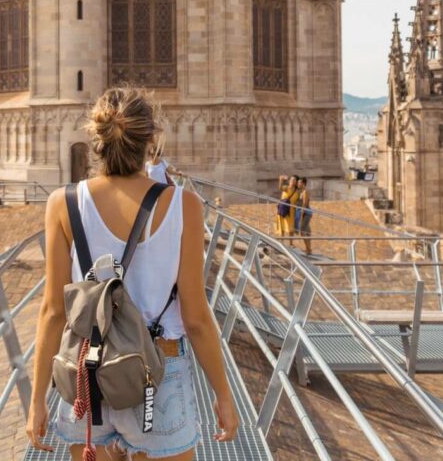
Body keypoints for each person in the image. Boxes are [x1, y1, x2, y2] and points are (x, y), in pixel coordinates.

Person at [26, 87, 239, 458]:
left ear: (95, 140)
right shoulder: (183, 205)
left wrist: (36, 400)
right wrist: (223, 393)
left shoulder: (62, 203)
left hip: (87, 376)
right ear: (151, 141)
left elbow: (53, 311)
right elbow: (197, 318)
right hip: (158, 372)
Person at [276, 175, 299, 245]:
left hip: (291, 211)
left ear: (296, 182)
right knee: (282, 226)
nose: (292, 181)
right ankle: (282, 242)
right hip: (283, 210)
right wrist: (281, 179)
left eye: (294, 180)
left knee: (291, 228)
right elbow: (280, 188)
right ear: (289, 181)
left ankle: (291, 243)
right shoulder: (286, 188)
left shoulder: (297, 191)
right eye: (291, 180)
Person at [297, 177, 312, 256]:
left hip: (306, 213)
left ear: (303, 183)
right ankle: (308, 248)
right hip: (305, 212)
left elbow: (304, 204)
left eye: (299, 182)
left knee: (302, 231)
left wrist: (301, 216)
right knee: (307, 232)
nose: (298, 184)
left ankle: (308, 249)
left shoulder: (305, 192)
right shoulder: (302, 192)